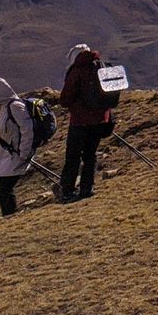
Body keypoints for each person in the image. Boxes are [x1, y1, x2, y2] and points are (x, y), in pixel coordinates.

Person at [58, 43, 113, 201]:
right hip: (100, 119)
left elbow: (65, 99)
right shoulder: (101, 66)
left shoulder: (77, 71)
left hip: (80, 121)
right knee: (90, 155)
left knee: (73, 157)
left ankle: (68, 191)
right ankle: (87, 189)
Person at [0, 77, 35, 216]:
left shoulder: (15, 106)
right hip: (9, 152)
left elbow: (27, 130)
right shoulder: (6, 107)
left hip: (17, 153)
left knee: (3, 187)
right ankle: (9, 214)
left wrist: (24, 152)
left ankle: (10, 215)